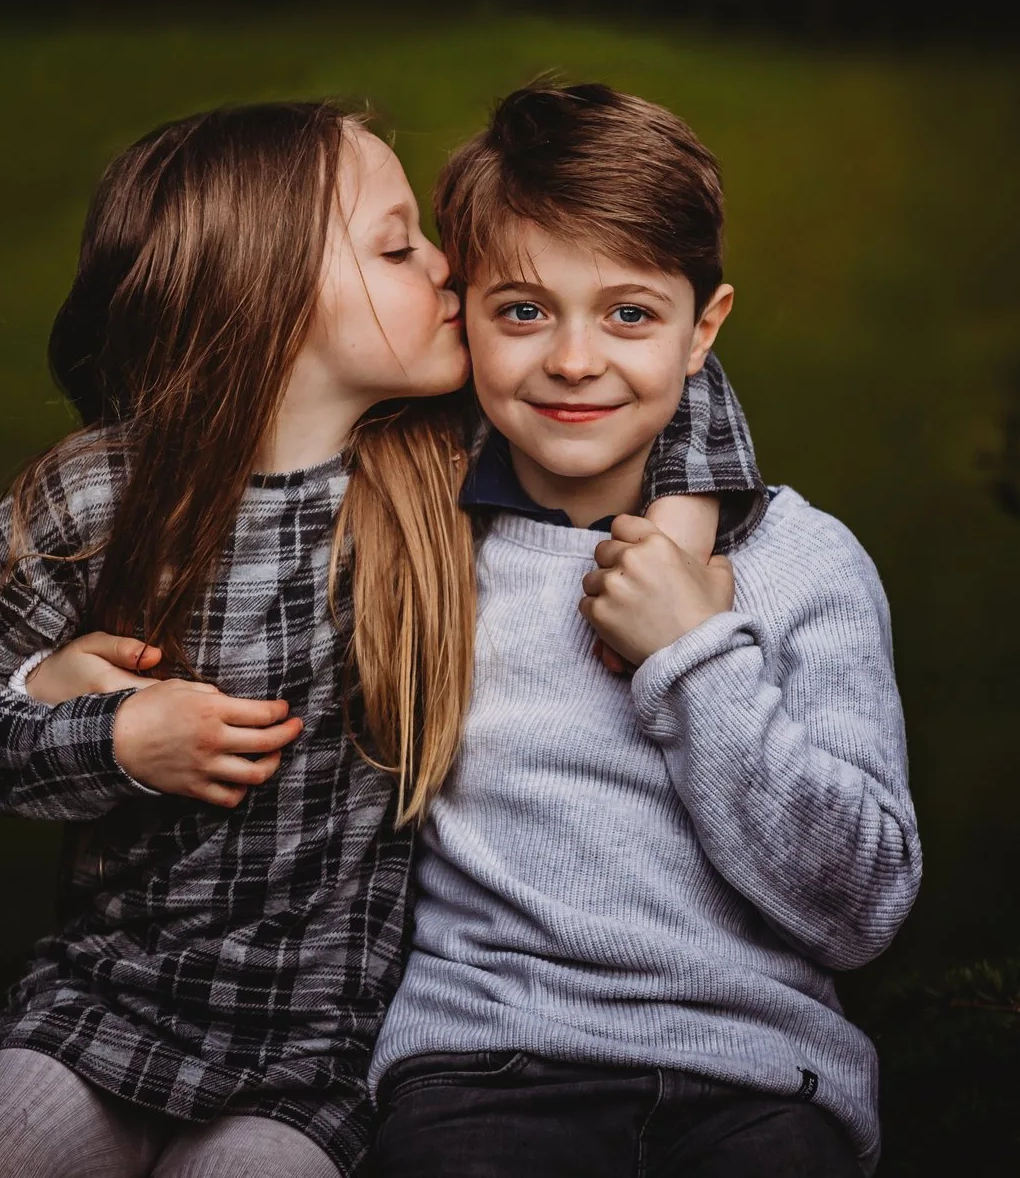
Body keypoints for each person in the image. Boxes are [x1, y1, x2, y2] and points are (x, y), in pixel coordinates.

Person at [0, 101, 758, 1177]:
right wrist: (104, 737)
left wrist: (671, 542)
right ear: (269, 294)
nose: (448, 266)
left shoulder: (437, 468)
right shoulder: (104, 490)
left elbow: (652, 357)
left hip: (323, 1053)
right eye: (398, 245)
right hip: (103, 999)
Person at [366, 83, 923, 1177]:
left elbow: (861, 907)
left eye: (629, 313)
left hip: (757, 1079)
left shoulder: (801, 566)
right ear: (463, 311)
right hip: (485, 1066)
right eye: (523, 310)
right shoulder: (417, 545)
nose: (574, 360)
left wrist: (691, 654)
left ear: (704, 326)